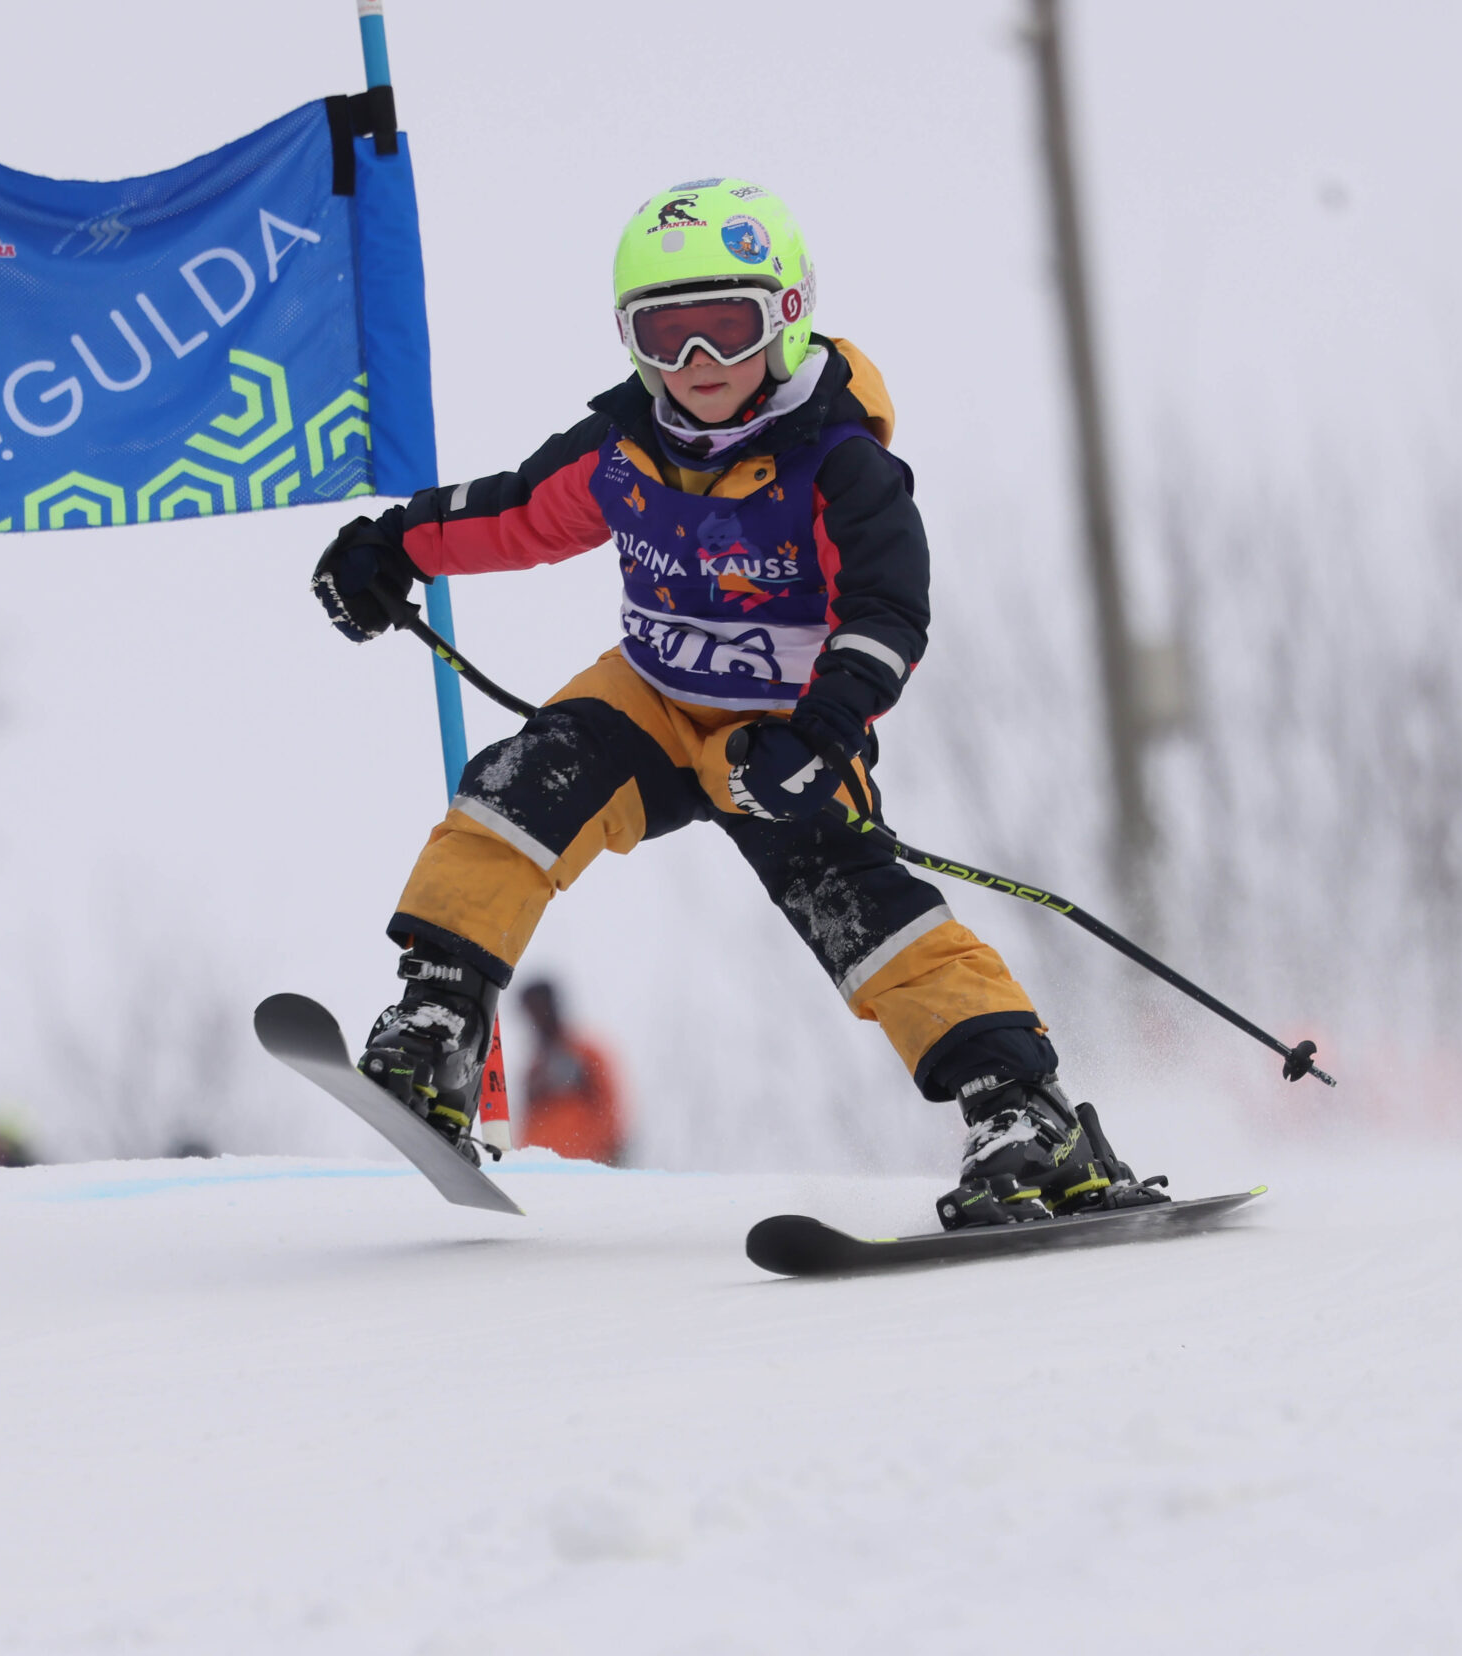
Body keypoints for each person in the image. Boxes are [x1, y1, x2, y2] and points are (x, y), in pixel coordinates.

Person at [310, 179, 1163, 1228]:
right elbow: (518, 511)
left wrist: (823, 733)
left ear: (789, 316)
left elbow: (888, 615)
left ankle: (1024, 1109)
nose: (697, 363)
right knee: (511, 794)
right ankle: (440, 1020)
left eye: (728, 327)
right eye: (664, 335)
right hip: (651, 698)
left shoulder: (841, 464)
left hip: (783, 730)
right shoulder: (624, 447)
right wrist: (392, 547)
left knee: (857, 909)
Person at [514, 981, 627, 1165]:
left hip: (584, 1165)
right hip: (541, 1169)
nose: (535, 1019)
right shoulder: (534, 1069)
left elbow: (610, 1104)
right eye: (530, 1012)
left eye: (539, 1008)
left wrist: (610, 1152)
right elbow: (528, 1121)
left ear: (553, 1007)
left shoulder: (585, 1054)